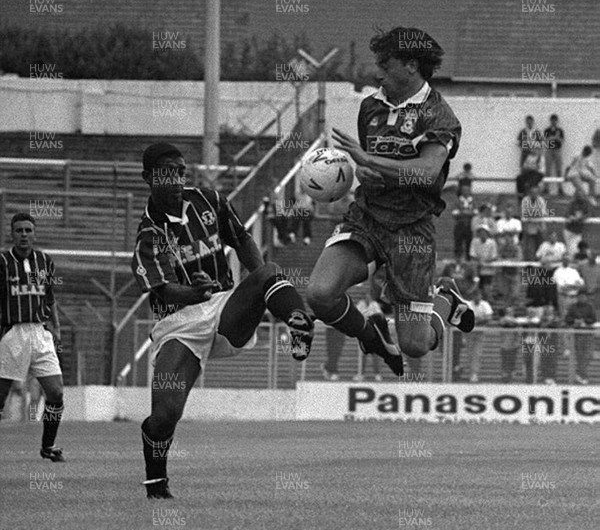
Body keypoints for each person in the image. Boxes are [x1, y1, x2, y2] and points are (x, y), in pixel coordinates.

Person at [131, 143, 314, 499]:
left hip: (223, 307)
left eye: (181, 170)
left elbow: (242, 239)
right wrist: (190, 292)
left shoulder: (209, 201)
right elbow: (162, 290)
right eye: (167, 171)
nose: (177, 178)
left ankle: (297, 321)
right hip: (178, 325)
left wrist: (261, 285)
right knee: (165, 416)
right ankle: (156, 483)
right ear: (148, 178)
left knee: (268, 272)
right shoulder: (148, 235)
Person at [307, 26, 474, 378]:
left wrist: (367, 162)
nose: (377, 71)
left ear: (411, 65)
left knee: (415, 345)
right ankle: (371, 336)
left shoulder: (438, 115)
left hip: (411, 231)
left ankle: (446, 300)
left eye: (386, 63)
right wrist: (365, 173)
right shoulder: (370, 107)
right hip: (366, 219)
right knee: (319, 294)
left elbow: (427, 173)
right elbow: (379, 162)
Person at [0, 213, 65, 461]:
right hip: (13, 333)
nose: (24, 234)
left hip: (40, 333)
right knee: (1, 396)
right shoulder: (3, 262)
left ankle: (48, 446)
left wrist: (56, 328)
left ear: (34, 233)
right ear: (12, 233)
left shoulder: (45, 262)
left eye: (28, 230)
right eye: (19, 230)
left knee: (56, 393)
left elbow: (50, 298)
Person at [564, 291, 596, 385]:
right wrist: (575, 320)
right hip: (576, 335)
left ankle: (581, 374)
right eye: (580, 297)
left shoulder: (589, 307)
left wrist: (585, 321)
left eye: (583, 297)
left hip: (587, 334)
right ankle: (582, 375)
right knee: (580, 355)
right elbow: (567, 319)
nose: (582, 298)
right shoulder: (573, 307)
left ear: (586, 297)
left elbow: (593, 319)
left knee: (587, 356)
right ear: (577, 297)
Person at [354, 292, 385, 382]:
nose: (367, 297)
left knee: (375, 355)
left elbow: (380, 316)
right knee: (362, 355)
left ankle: (377, 374)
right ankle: (361, 374)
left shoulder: (374, 305)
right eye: (366, 295)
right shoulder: (360, 305)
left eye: (369, 296)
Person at [466, 289, 493, 383]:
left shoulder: (485, 304)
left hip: (480, 332)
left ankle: (474, 373)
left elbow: (489, 317)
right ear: (473, 297)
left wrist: (477, 320)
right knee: (470, 353)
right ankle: (471, 372)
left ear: (481, 296)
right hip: (469, 332)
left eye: (479, 296)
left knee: (477, 353)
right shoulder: (468, 304)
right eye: (475, 296)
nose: (477, 297)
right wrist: (479, 319)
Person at [469, 226, 498, 301]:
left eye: (484, 232)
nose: (482, 234)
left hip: (488, 269)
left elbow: (494, 256)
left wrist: (485, 261)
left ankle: (488, 302)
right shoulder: (474, 241)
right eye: (480, 233)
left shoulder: (492, 242)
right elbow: (472, 254)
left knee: (487, 288)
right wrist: (480, 261)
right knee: (478, 287)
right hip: (477, 269)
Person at [521, 184, 548, 261]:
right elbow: (524, 214)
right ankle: (531, 266)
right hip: (529, 228)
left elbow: (543, 213)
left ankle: (540, 265)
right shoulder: (525, 200)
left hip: (540, 227)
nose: (534, 195)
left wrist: (531, 214)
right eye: (532, 193)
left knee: (541, 247)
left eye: (536, 193)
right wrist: (535, 213)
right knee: (530, 248)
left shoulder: (541, 200)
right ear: (529, 193)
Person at [563, 189, 590, 259]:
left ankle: (575, 265)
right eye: (578, 196)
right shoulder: (572, 203)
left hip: (578, 232)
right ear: (576, 196)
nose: (580, 197)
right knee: (571, 251)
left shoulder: (585, 204)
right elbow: (566, 214)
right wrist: (572, 217)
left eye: (581, 195)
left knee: (577, 250)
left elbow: (588, 214)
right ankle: (570, 266)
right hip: (569, 231)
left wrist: (581, 218)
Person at [543, 114, 565, 195]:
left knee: (559, 170)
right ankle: (546, 188)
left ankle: (560, 188)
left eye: (555, 120)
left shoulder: (560, 130)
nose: (553, 122)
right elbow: (545, 141)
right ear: (550, 121)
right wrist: (555, 137)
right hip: (549, 150)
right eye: (552, 120)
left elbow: (561, 141)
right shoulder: (547, 130)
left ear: (557, 121)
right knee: (547, 170)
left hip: (557, 150)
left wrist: (553, 137)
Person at [452, 184, 475, 261]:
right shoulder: (458, 201)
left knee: (469, 243)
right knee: (458, 243)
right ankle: (458, 260)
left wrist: (463, 212)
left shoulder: (473, 201)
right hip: (460, 225)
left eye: (467, 190)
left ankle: (468, 260)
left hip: (470, 225)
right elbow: (454, 213)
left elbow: (476, 212)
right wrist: (467, 213)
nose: (466, 192)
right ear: (461, 191)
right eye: (464, 190)